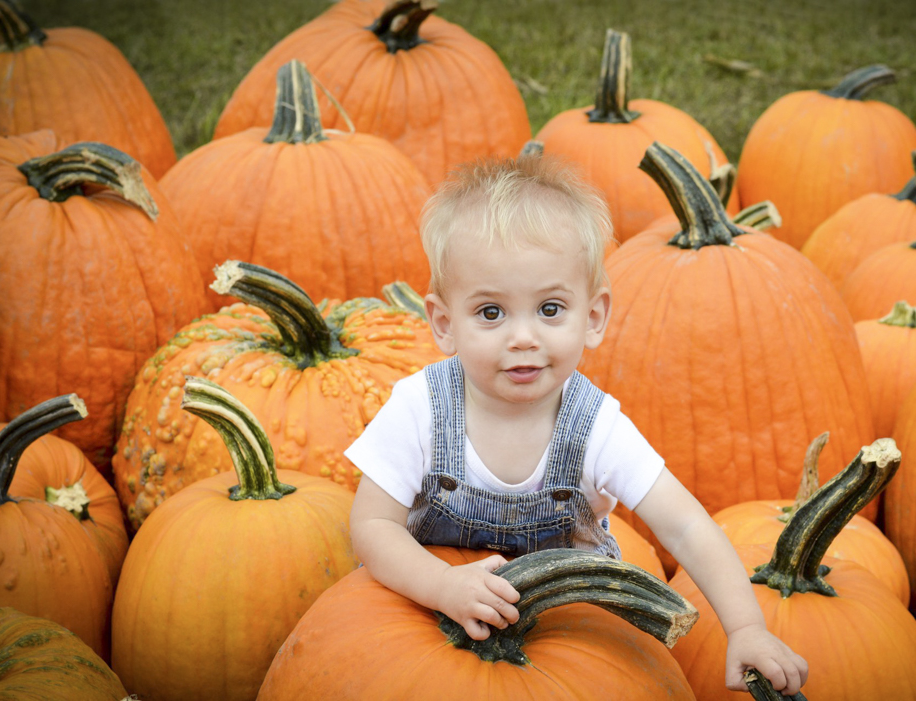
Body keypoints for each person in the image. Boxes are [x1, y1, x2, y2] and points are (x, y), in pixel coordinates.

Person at [346, 154, 808, 695]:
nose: (523, 338)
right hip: (431, 625)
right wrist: (441, 586)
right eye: (491, 312)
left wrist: (746, 627)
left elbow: (685, 525)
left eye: (549, 309)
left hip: (566, 643)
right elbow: (371, 525)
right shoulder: (420, 408)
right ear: (445, 325)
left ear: (593, 317)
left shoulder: (596, 429)